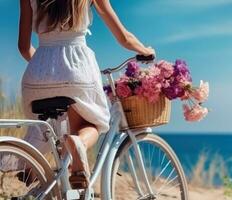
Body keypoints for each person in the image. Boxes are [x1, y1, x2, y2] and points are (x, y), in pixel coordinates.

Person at [18, 0, 155, 188]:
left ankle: (43, 170)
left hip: (37, 76)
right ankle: (79, 143)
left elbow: (23, 47)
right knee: (93, 124)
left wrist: (46, 70)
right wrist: (145, 50)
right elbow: (124, 38)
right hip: (75, 71)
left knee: (49, 130)